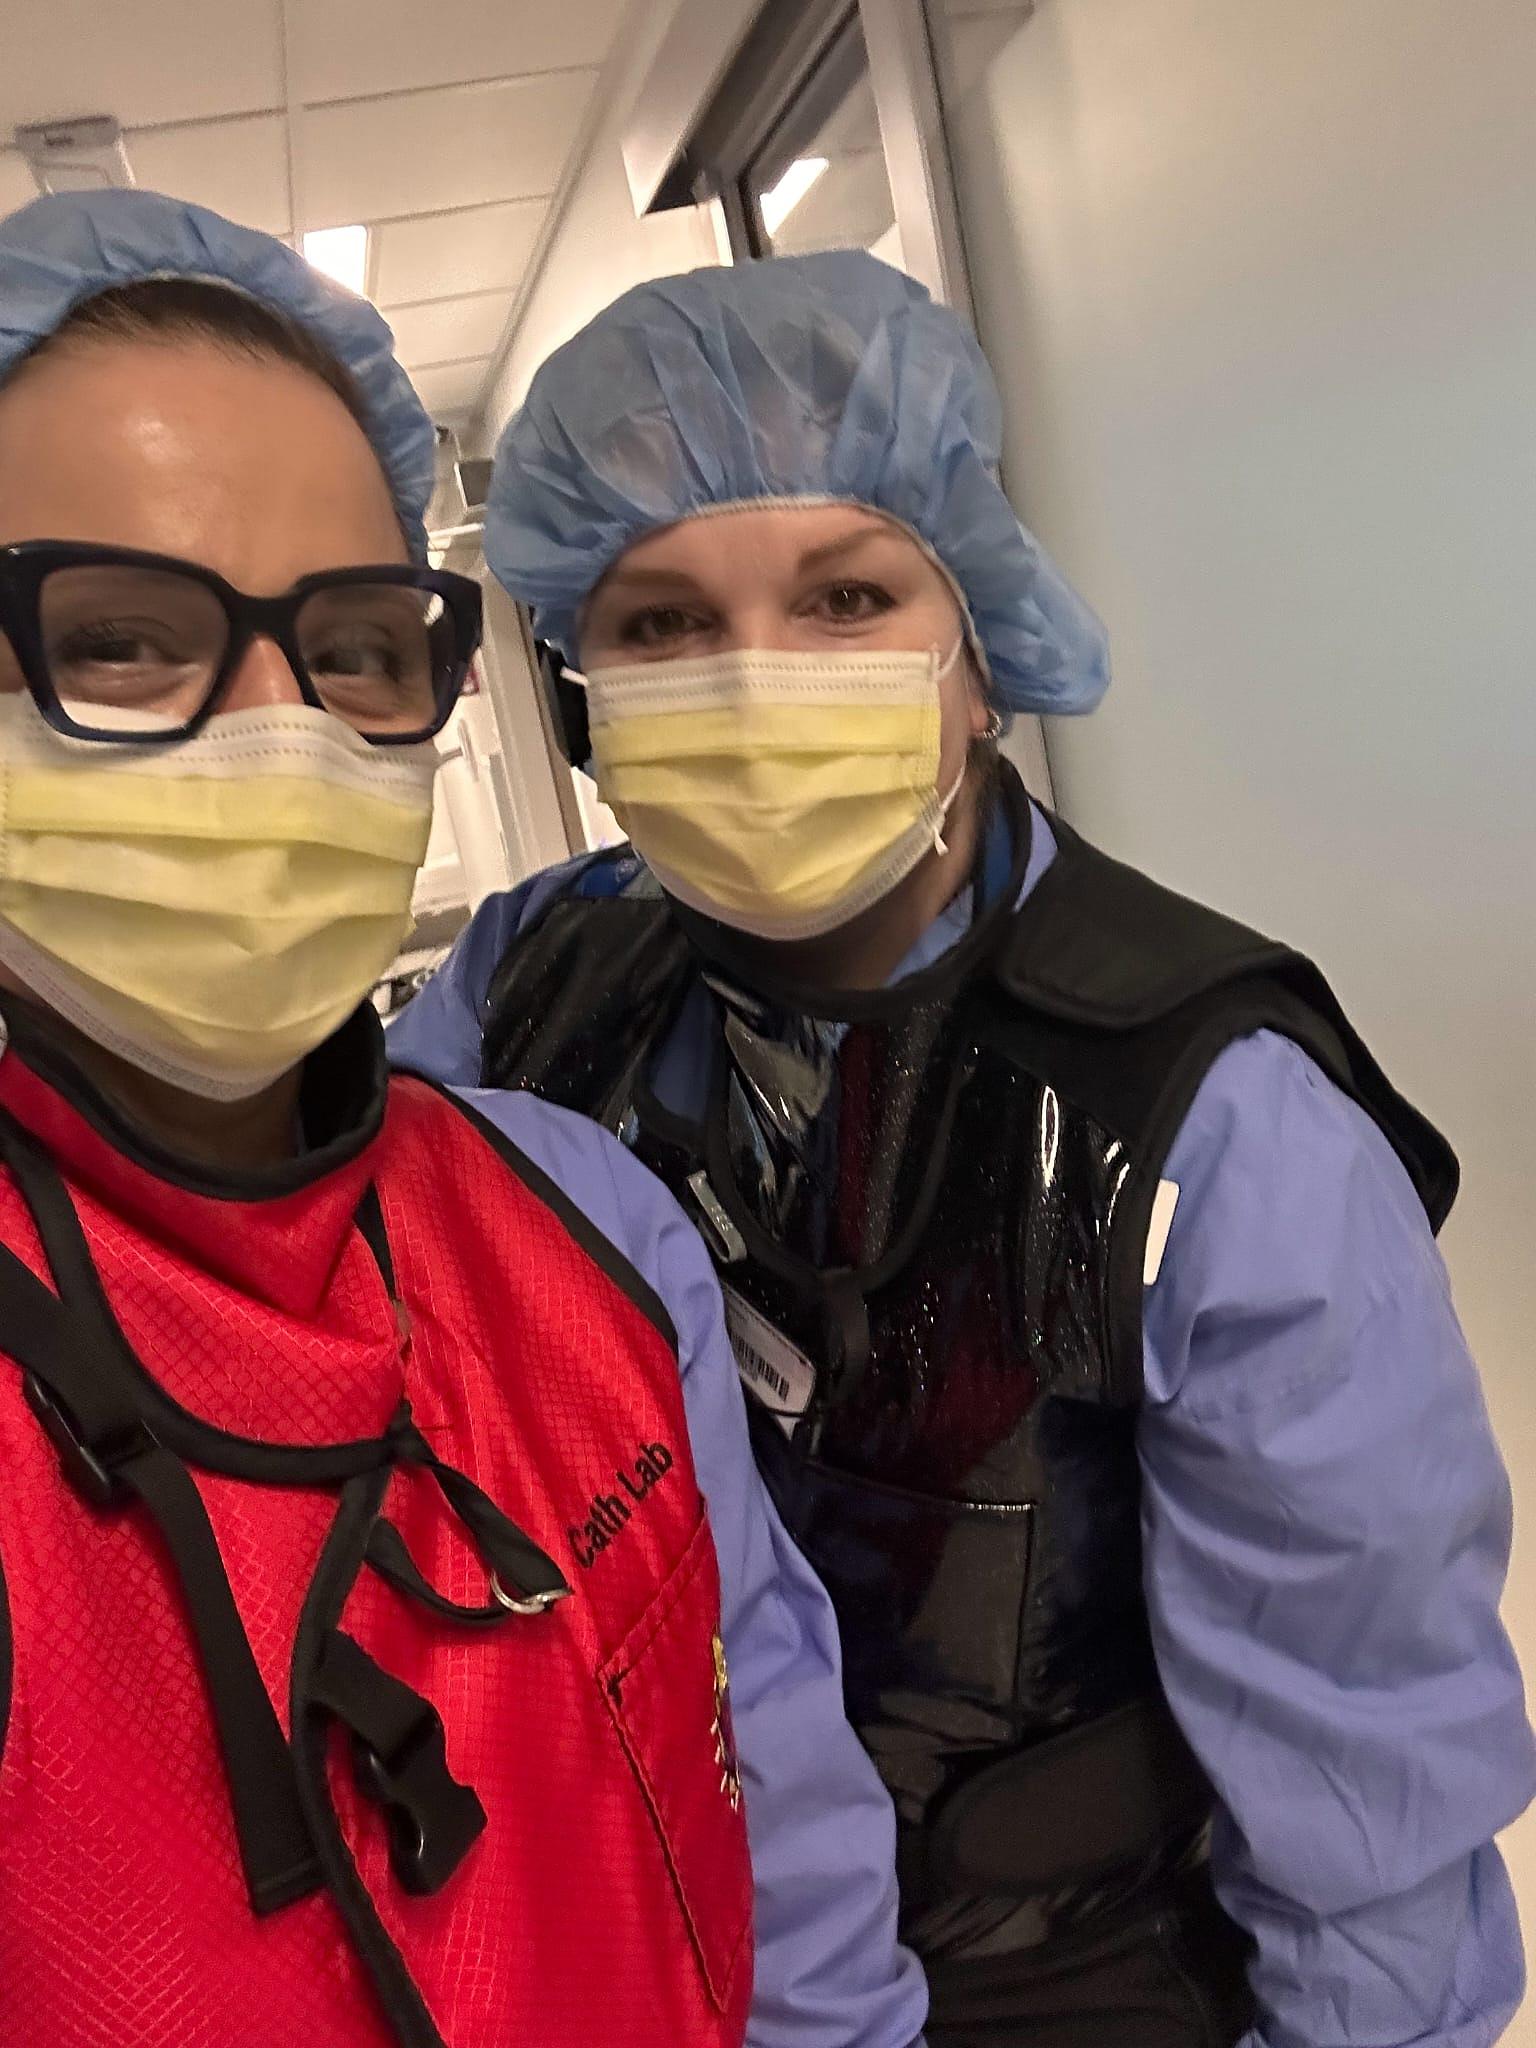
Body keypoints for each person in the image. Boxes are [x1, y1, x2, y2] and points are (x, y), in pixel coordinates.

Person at [390, 251, 1536, 2048]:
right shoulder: (529, 985)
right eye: (663, 624)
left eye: (846, 598)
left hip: (1075, 1981)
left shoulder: (1208, 1116)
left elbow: (1365, 1788)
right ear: (578, 683)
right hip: (638, 1938)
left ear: (983, 649)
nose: (752, 685)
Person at [0, 192, 930, 2048]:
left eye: (352, 645)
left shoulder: (573, 1218)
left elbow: (781, 1821)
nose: (276, 734)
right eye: (118, 639)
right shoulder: (551, 978)